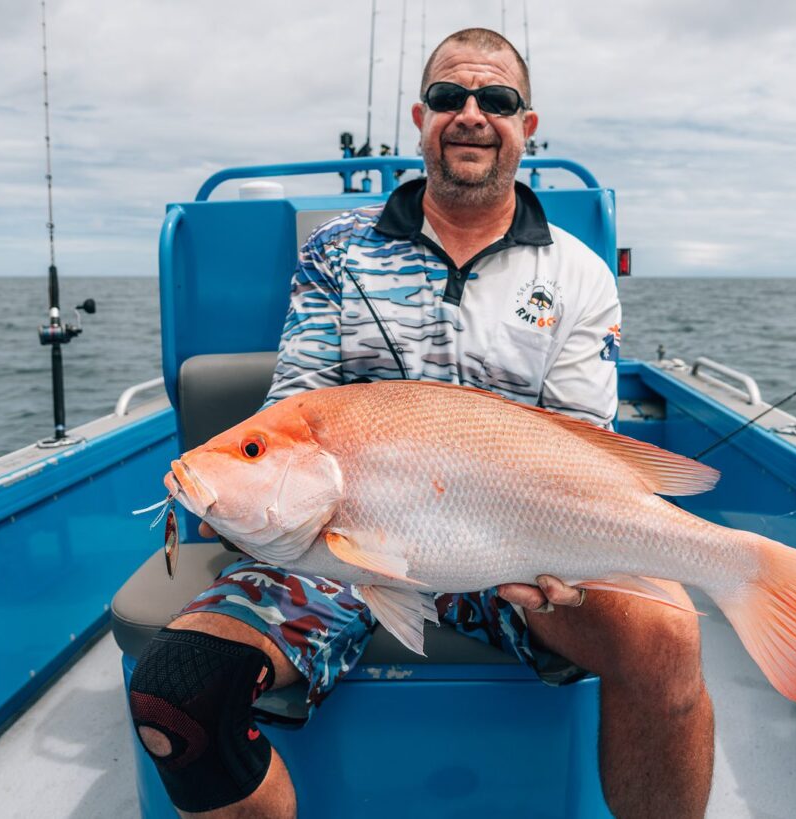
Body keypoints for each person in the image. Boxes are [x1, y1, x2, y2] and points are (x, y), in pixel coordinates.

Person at [128, 28, 713, 819]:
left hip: (518, 550)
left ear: (526, 126)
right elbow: (295, 406)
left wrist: (558, 556)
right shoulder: (338, 250)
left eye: (496, 99)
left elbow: (576, 437)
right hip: (334, 547)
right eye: (448, 96)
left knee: (668, 638)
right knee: (178, 696)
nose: (471, 113)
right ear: (421, 118)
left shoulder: (577, 270)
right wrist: (253, 506)